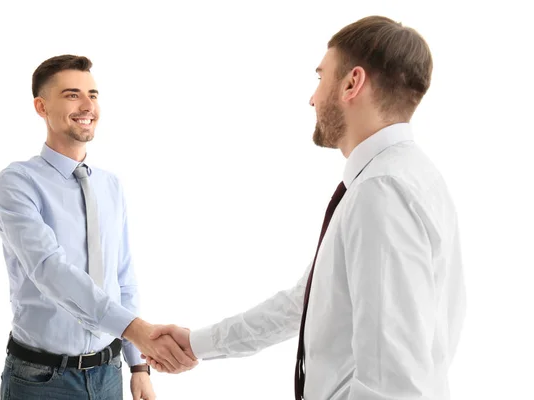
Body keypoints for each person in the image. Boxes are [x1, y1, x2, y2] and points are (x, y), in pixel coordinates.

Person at [144, 15, 466, 400]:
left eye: (320, 77)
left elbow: (392, 386)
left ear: (352, 83)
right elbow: (308, 300)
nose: (312, 97)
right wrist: (198, 343)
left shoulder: (381, 192)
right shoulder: (402, 176)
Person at [0, 55, 196, 400]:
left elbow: (122, 278)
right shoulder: (17, 183)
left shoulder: (110, 185)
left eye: (94, 94)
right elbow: (49, 270)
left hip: (108, 375)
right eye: (72, 95)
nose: (88, 105)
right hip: (41, 381)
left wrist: (138, 365)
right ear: (41, 107)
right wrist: (137, 330)